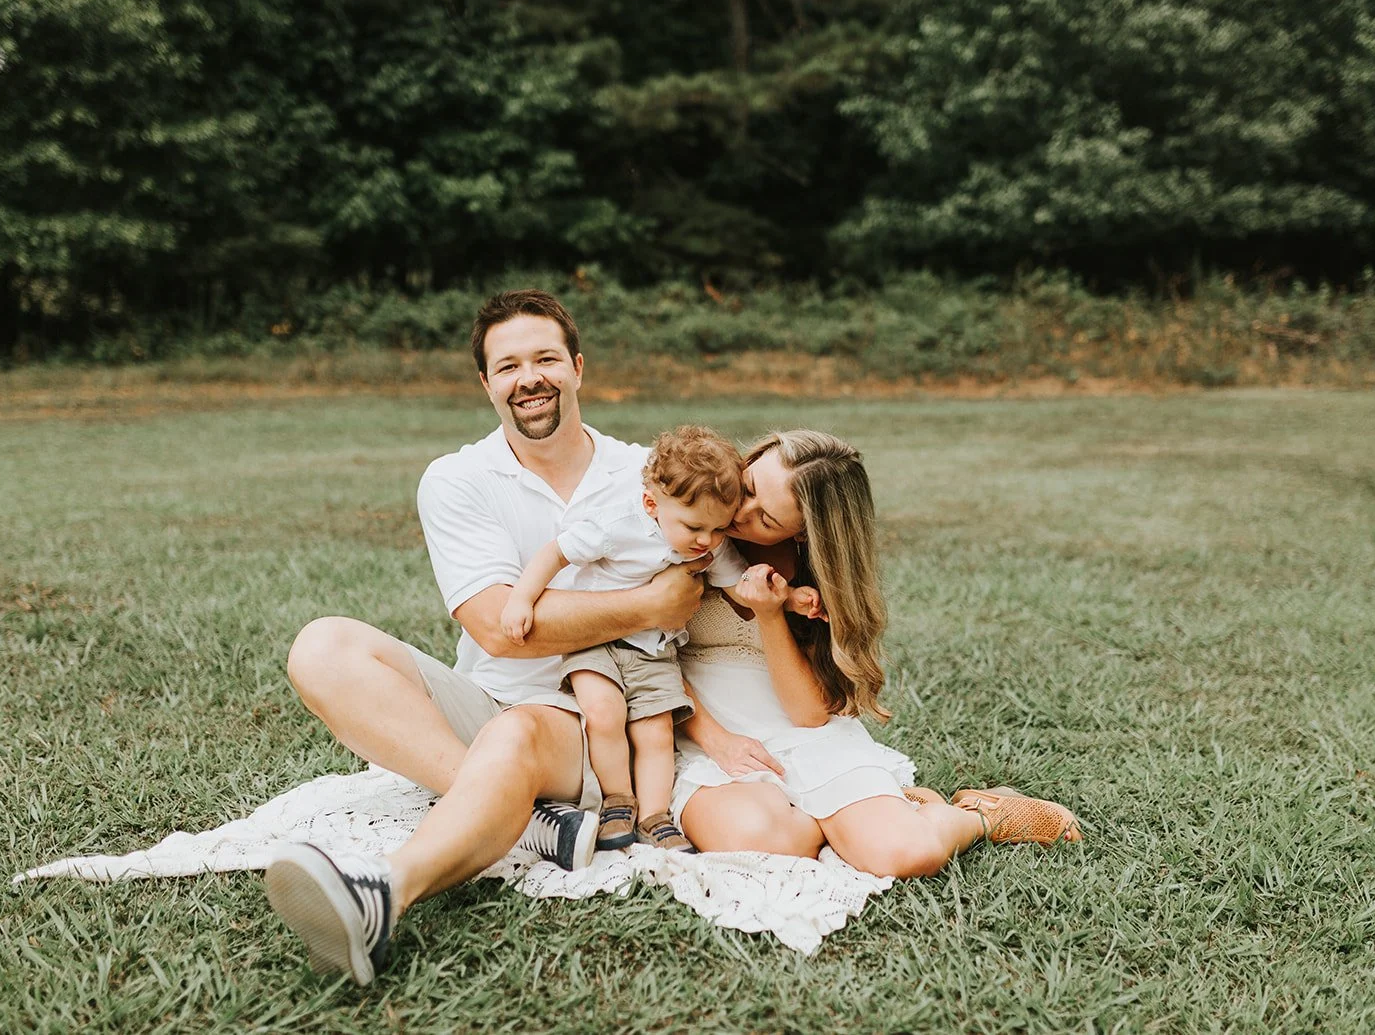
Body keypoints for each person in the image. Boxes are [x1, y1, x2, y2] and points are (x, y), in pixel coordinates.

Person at [265, 289, 712, 986]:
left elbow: (719, 563)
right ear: (485, 383)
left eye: (545, 358)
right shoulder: (457, 478)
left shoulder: (643, 476)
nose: (528, 377)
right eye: (507, 366)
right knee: (321, 645)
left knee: (519, 734)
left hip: (595, 721)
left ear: (577, 367)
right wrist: (649, 601)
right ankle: (536, 825)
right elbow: (497, 629)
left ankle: (384, 891)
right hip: (484, 695)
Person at [672, 430, 1083, 878]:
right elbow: (640, 660)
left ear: (805, 533)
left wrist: (771, 615)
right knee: (765, 844)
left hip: (795, 727)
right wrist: (715, 739)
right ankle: (861, 812)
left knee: (906, 855)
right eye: (748, 488)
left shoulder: (814, 580)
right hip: (694, 720)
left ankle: (974, 815)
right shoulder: (682, 525)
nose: (739, 514)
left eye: (766, 520)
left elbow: (809, 715)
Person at [498, 425, 752, 853]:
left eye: (719, 529)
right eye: (694, 527)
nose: (707, 542)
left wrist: (782, 594)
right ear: (653, 504)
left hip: (654, 651)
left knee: (655, 733)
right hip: (595, 642)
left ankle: (656, 816)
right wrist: (522, 599)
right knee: (603, 713)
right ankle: (618, 801)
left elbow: (738, 585)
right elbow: (555, 552)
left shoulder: (710, 543)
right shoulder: (617, 525)